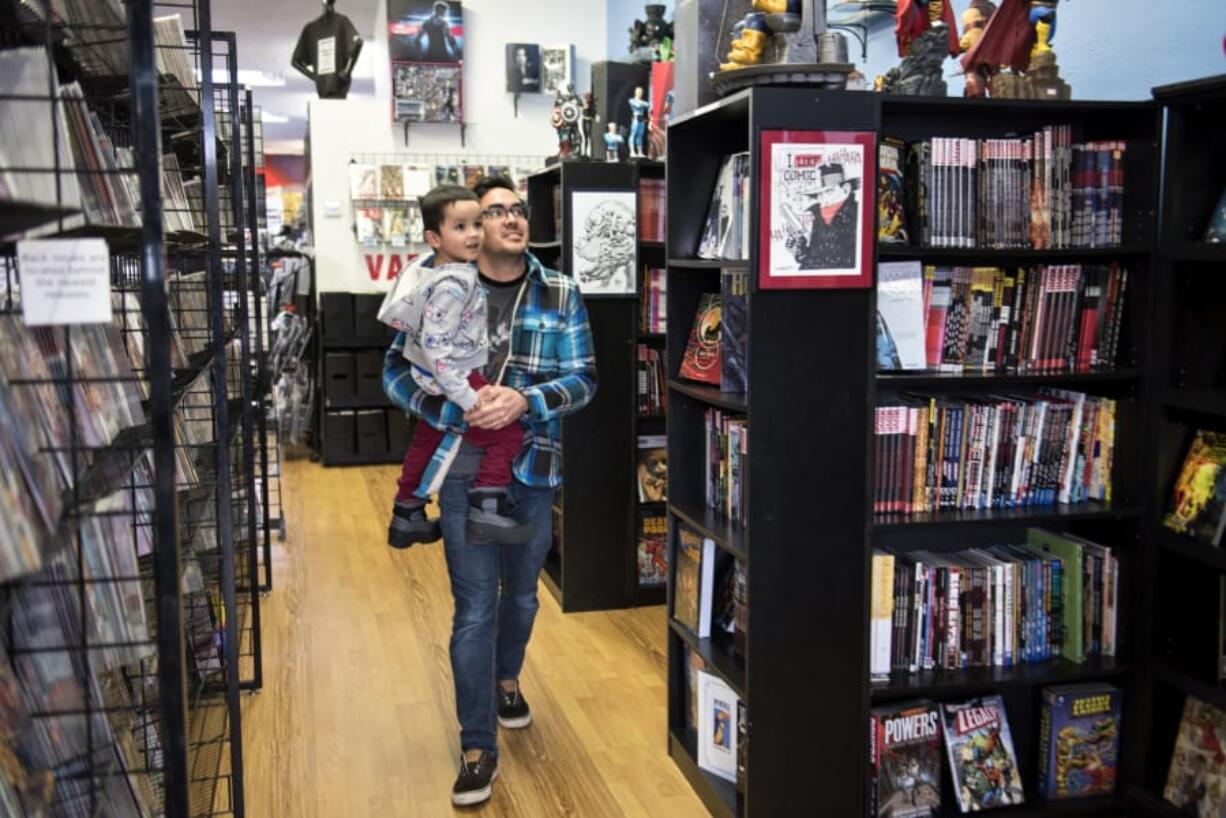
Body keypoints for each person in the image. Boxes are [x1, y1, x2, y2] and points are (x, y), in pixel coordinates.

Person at [383, 176, 597, 807]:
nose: (508, 220)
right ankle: (477, 743)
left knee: (523, 597)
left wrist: (521, 401)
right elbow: (395, 369)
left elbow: (584, 379)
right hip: (461, 467)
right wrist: (457, 412)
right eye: (491, 211)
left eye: (515, 210)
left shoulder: (560, 291)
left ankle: (506, 680)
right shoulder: (439, 283)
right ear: (469, 227)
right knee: (475, 606)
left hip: (531, 468)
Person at [382, 185, 531, 550]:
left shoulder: (432, 271)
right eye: (461, 227)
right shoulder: (454, 282)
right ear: (434, 237)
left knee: (428, 434)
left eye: (477, 224)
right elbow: (435, 345)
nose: (475, 234)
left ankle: (407, 512)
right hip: (457, 373)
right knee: (507, 433)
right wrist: (466, 396)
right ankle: (486, 503)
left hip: (436, 374)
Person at [788, 162, 860, 270]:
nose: (823, 200)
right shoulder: (820, 216)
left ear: (845, 190)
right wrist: (799, 251)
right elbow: (817, 257)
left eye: (829, 192)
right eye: (818, 195)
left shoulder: (857, 216)